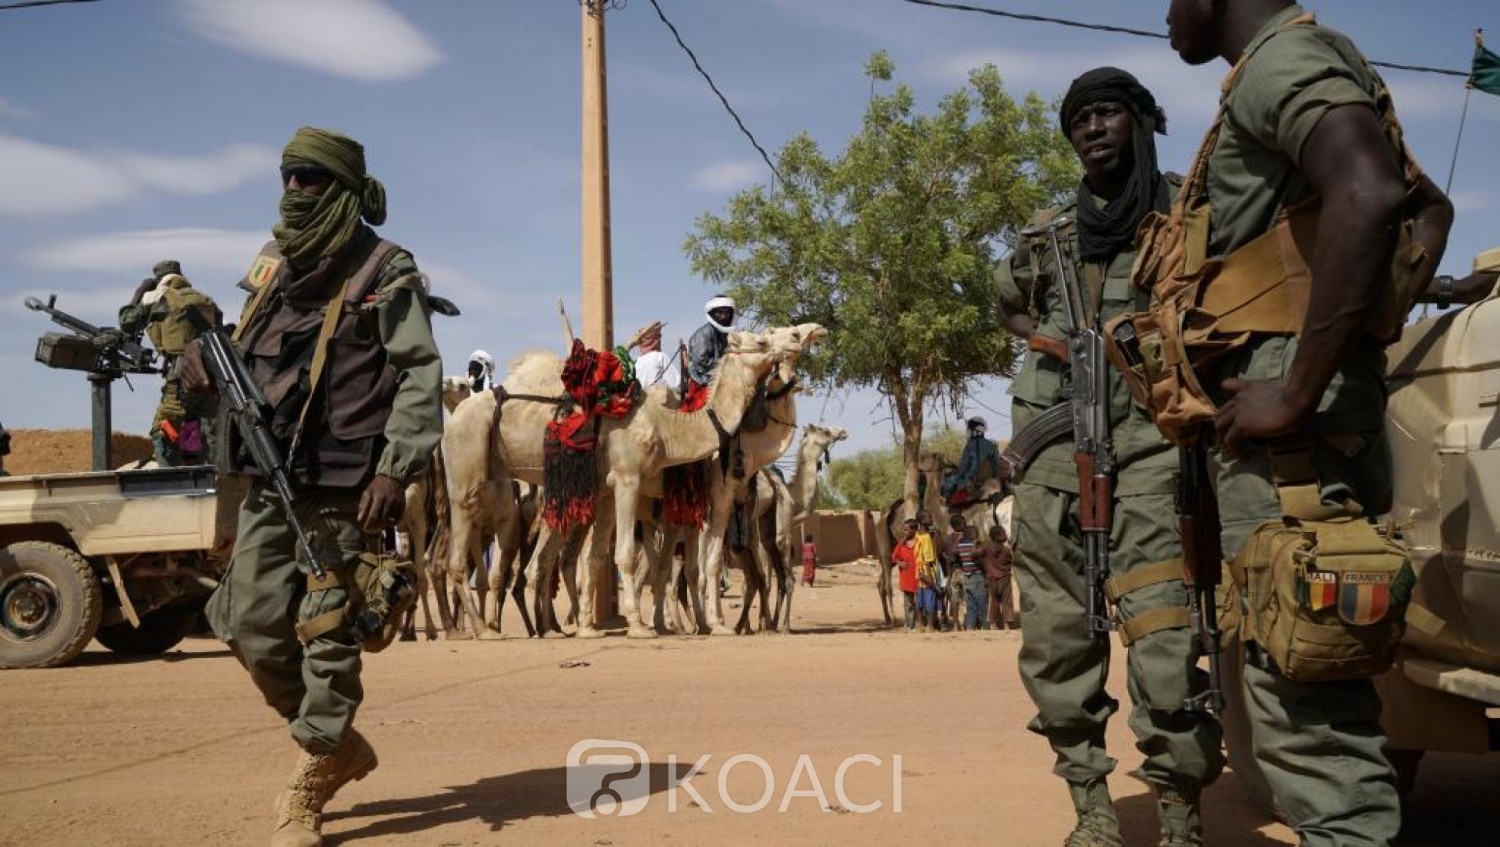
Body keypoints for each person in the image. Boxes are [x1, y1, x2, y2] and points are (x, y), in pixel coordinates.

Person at [1161, 3, 1454, 844]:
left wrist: (1295, 387)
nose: (1168, 16)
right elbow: (1431, 214)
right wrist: (1363, 339)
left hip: (1293, 443)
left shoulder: (1279, 65)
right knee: (1311, 674)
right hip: (1316, 426)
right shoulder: (1299, 64)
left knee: (1306, 707)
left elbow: (1372, 192)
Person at [182, 126, 443, 847]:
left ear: (345, 189)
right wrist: (198, 362)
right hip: (273, 474)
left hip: (347, 482)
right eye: (289, 177)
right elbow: (243, 349)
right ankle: (337, 742)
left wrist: (396, 466)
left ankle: (315, 769)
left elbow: (421, 373)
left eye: (312, 180)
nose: (297, 192)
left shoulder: (385, 270)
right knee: (246, 622)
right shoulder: (273, 265)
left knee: (328, 631)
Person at [995, 67, 1224, 846]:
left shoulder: (1187, 217)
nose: (1093, 129)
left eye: (1108, 114)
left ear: (1141, 121)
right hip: (1058, 447)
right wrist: (1050, 341)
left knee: (1165, 634)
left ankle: (1179, 812)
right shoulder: (1048, 232)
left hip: (1157, 442)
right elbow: (1008, 299)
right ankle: (1092, 809)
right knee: (1059, 632)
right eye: (1080, 119)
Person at [120, 260, 221, 467]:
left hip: (181, 372)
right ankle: (207, 477)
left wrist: (140, 293)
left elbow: (127, 322)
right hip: (211, 372)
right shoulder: (204, 299)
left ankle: (169, 477)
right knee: (201, 426)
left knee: (164, 427)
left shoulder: (160, 297)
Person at [941, 416, 1002, 501]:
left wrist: (956, 476)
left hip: (972, 480)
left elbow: (963, 468)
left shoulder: (970, 445)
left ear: (973, 430)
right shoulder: (992, 446)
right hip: (993, 480)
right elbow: (997, 465)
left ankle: (946, 502)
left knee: (946, 483)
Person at [687, 295, 735, 390]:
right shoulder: (703, 334)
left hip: (723, 379)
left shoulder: (726, 333)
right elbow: (700, 363)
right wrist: (723, 368)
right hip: (703, 381)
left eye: (727, 313)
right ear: (712, 314)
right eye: (720, 312)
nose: (724, 316)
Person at [982, 525, 1017, 631]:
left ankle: (993, 624)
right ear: (997, 536)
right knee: (1006, 601)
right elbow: (1012, 561)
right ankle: (1006, 623)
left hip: (992, 578)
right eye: (1004, 533)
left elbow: (974, 554)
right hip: (1005, 578)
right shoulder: (1006, 550)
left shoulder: (987, 548)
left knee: (994, 601)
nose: (1006, 535)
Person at [628, 320, 680, 390]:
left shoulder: (636, 361)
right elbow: (676, 383)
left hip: (639, 400)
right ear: (655, 340)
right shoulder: (660, 357)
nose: (660, 340)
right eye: (658, 337)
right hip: (657, 399)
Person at [891, 518, 921, 632]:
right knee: (908, 603)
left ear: (914, 530)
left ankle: (919, 624)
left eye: (906, 530)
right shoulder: (901, 544)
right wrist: (900, 563)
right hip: (906, 578)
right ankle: (909, 624)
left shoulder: (920, 542)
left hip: (918, 579)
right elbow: (894, 557)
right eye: (903, 529)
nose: (904, 532)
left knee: (919, 603)